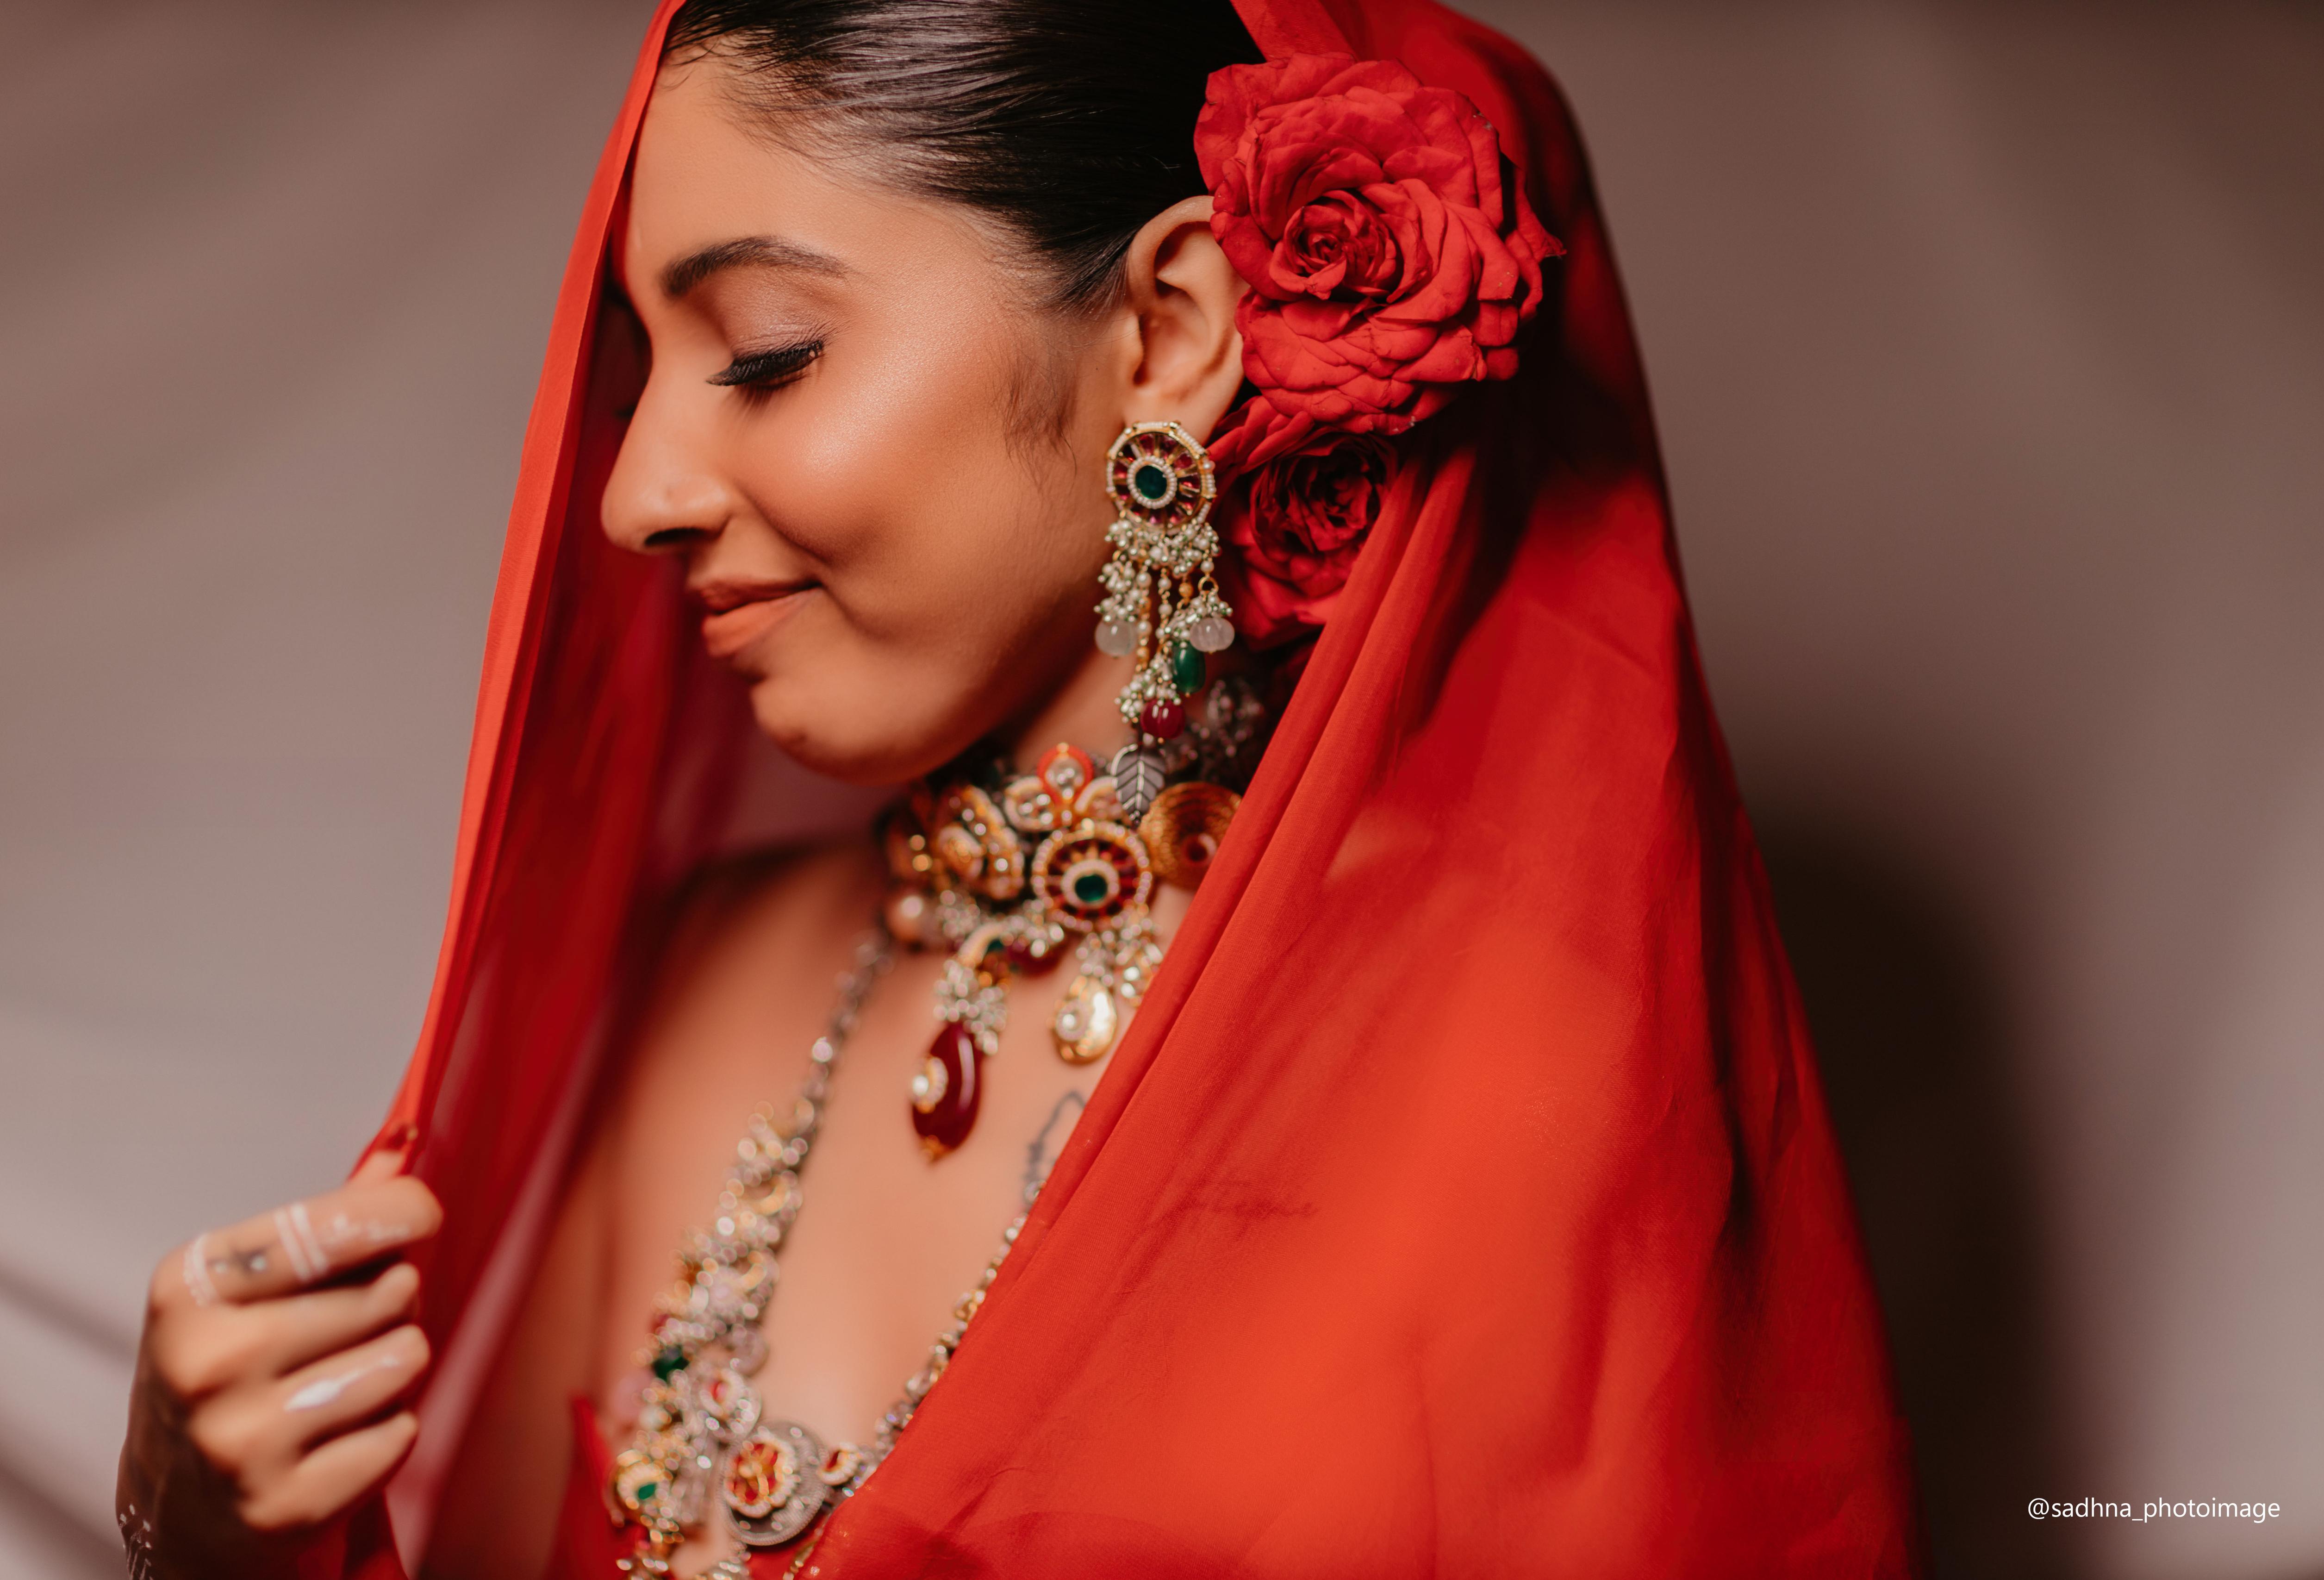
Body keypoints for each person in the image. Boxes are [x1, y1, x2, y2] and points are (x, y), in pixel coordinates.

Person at [116, 1, 1922, 1576]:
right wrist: (209, 1541)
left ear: (1169, 331)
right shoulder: (690, 985)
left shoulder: (1521, 1057)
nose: (635, 489)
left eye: (761, 352)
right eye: (637, 374)